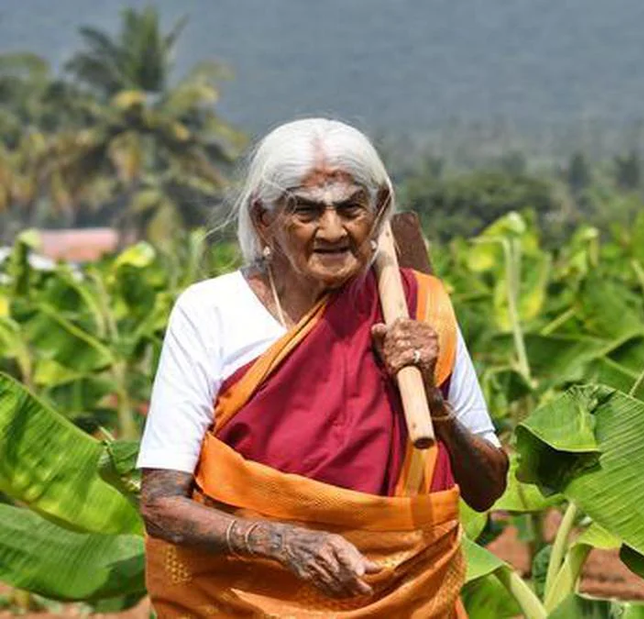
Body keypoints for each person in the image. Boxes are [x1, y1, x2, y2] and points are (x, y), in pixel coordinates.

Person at [136, 118, 509, 617]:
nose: (332, 230)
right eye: (307, 211)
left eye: (350, 208)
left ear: (377, 212)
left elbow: (487, 488)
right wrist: (281, 542)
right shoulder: (210, 311)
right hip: (241, 601)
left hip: (403, 597)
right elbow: (161, 504)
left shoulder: (420, 309)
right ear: (264, 219)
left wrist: (433, 402)